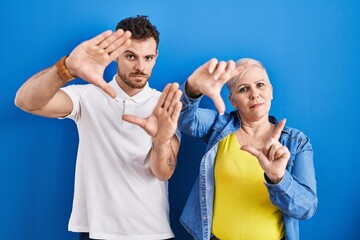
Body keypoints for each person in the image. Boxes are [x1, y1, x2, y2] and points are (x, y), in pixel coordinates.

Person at [15, 15, 182, 240]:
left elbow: (163, 172)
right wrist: (65, 69)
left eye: (148, 57)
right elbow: (25, 101)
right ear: (116, 56)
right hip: (98, 231)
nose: (140, 67)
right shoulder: (87, 96)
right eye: (131, 56)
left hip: (154, 232)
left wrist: (161, 141)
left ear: (156, 57)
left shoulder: (165, 104)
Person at [177, 58, 317, 240]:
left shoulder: (296, 142)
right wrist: (192, 88)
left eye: (260, 85)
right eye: (243, 89)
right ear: (232, 100)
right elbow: (182, 118)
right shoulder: (218, 126)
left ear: (271, 91)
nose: (254, 94)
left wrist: (278, 179)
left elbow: (306, 209)